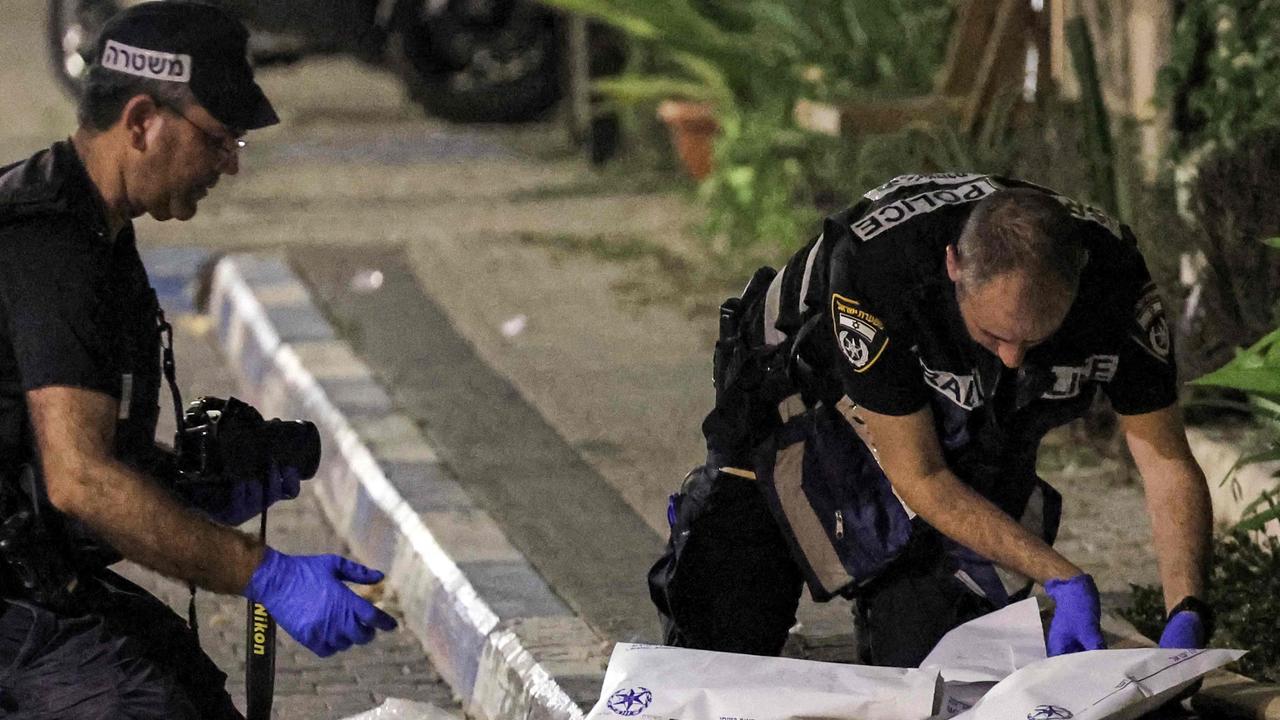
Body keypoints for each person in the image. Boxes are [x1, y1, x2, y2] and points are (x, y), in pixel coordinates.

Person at [0, 3, 396, 717]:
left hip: (26, 577)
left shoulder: (92, 231)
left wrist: (196, 494)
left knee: (183, 685)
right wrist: (263, 572)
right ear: (143, 120)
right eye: (218, 138)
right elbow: (79, 481)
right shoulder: (49, 244)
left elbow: (64, 459)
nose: (230, 166)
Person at [649, 173, 1214, 667]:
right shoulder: (877, 270)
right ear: (953, 265)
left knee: (940, 666)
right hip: (798, 403)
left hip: (960, 426)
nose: (1015, 356)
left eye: (1036, 338)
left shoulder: (1118, 283)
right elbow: (918, 476)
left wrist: (1186, 609)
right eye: (996, 334)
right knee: (723, 626)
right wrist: (1061, 575)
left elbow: (1165, 460)